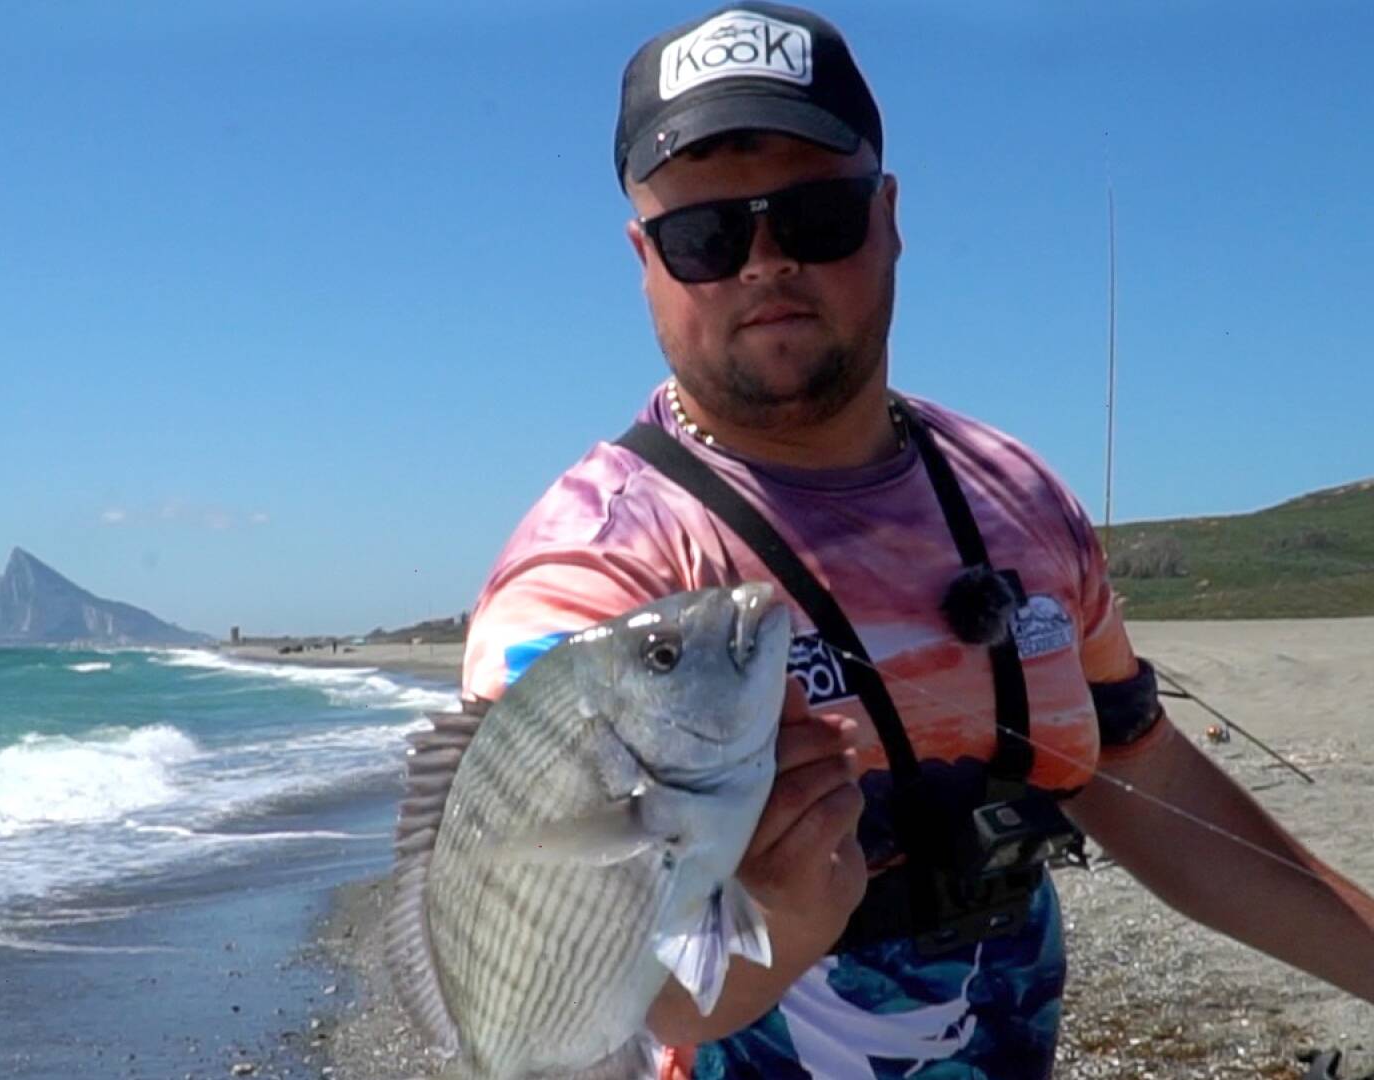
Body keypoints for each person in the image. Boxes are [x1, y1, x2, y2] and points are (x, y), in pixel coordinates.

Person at [456, 3, 1374, 1076]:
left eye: (816, 217)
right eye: (705, 235)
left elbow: (1147, 785)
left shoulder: (1015, 493)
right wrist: (790, 919)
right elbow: (599, 995)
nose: (763, 264)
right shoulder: (593, 579)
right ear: (643, 258)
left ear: (888, 216)